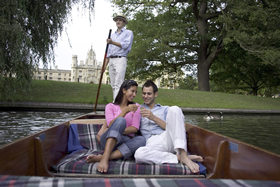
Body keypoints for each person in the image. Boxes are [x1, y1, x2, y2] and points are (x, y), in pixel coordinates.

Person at [134, 80, 203, 173]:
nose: (145, 96)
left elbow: (173, 128)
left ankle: (183, 153)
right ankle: (179, 157)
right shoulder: (138, 109)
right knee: (139, 154)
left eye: (149, 94)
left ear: (156, 94)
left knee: (175, 109)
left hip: (167, 138)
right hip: (152, 143)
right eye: (144, 93)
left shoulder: (165, 109)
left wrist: (153, 117)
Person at [86, 80, 146, 173]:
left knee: (142, 140)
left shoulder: (136, 106)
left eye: (136, 92)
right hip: (107, 140)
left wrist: (118, 129)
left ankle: (102, 157)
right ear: (124, 90)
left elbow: (134, 128)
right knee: (120, 120)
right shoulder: (110, 106)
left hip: (124, 142)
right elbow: (111, 124)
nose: (134, 94)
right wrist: (125, 111)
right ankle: (105, 159)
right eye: (132, 91)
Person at [102, 14, 134, 102]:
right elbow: (108, 52)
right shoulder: (112, 35)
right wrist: (104, 66)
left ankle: (116, 104)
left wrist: (112, 42)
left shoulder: (128, 33)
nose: (118, 22)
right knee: (113, 84)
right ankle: (115, 101)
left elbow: (125, 45)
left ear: (124, 22)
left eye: (120, 20)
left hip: (120, 59)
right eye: (116, 20)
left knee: (118, 84)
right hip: (111, 60)